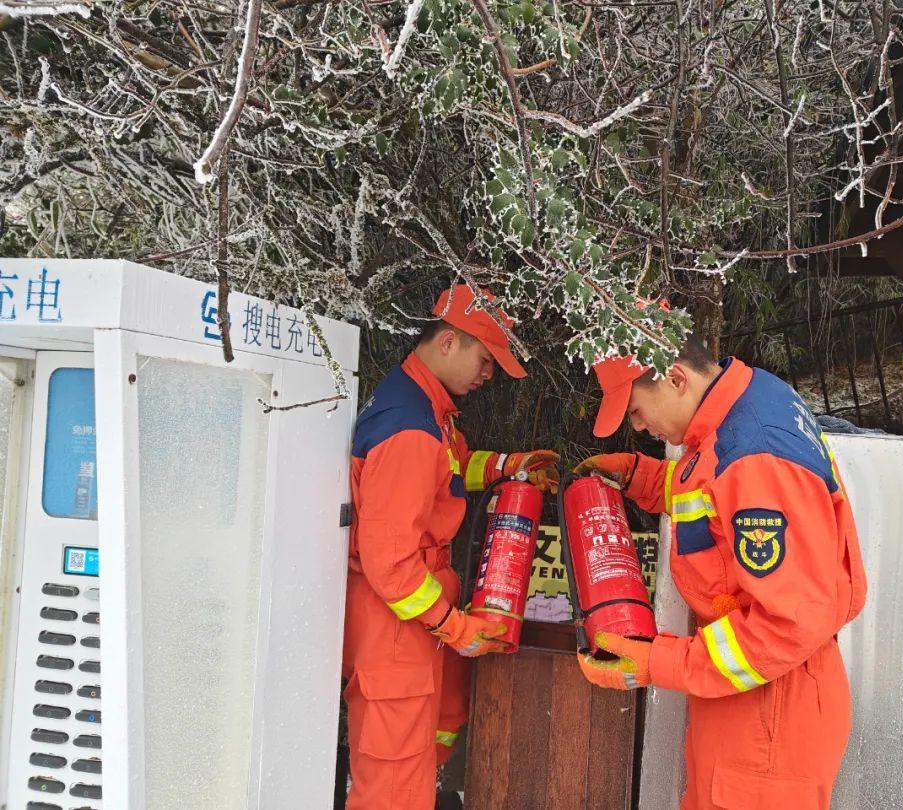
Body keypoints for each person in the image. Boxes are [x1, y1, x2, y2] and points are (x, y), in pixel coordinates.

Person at [575, 337, 866, 809]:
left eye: (635, 410)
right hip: (750, 701)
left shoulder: (755, 454)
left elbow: (787, 624)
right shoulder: (738, 405)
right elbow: (712, 493)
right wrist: (641, 478)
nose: (638, 425)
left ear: (675, 378)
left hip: (769, 716)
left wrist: (657, 662)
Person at [342, 285, 558, 810]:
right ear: (447, 343)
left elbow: (452, 473)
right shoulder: (410, 428)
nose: (487, 375)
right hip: (397, 621)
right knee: (392, 777)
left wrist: (510, 466)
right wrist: (454, 626)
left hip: (418, 614)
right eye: (485, 360)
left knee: (435, 732)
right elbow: (390, 564)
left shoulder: (423, 407)